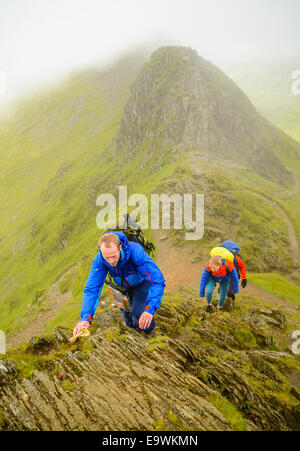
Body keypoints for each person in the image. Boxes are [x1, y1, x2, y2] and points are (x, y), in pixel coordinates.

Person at [73, 231, 165, 336]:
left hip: (141, 284)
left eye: (113, 256)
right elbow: (92, 288)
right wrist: (86, 318)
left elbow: (158, 280)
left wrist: (150, 309)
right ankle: (136, 339)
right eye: (106, 258)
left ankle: (152, 335)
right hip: (122, 287)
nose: (111, 262)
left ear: (120, 248)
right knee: (128, 320)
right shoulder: (100, 260)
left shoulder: (136, 252)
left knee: (139, 315)